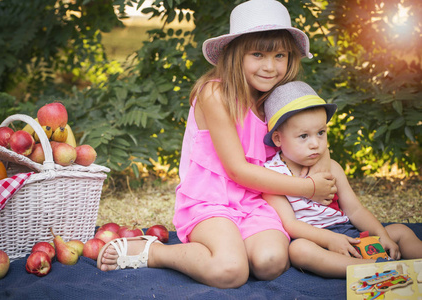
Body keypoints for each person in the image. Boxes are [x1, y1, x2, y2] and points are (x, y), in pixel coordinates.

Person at [97, 0, 337, 288]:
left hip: (258, 201)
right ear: (236, 54)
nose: (270, 66)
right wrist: (309, 188)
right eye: (258, 54)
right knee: (230, 271)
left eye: (280, 55)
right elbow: (237, 170)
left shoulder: (277, 102)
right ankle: (156, 252)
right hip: (210, 199)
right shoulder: (216, 93)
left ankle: (232, 246)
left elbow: (312, 148)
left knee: (271, 261)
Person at [262, 81, 422, 278]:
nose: (315, 144)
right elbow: (291, 224)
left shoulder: (332, 167)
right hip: (316, 241)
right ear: (278, 139)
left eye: (321, 133)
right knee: (299, 251)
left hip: (349, 233)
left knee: (400, 230)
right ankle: (365, 269)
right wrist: (330, 240)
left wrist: (382, 235)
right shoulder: (271, 175)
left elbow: (355, 210)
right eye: (303, 136)